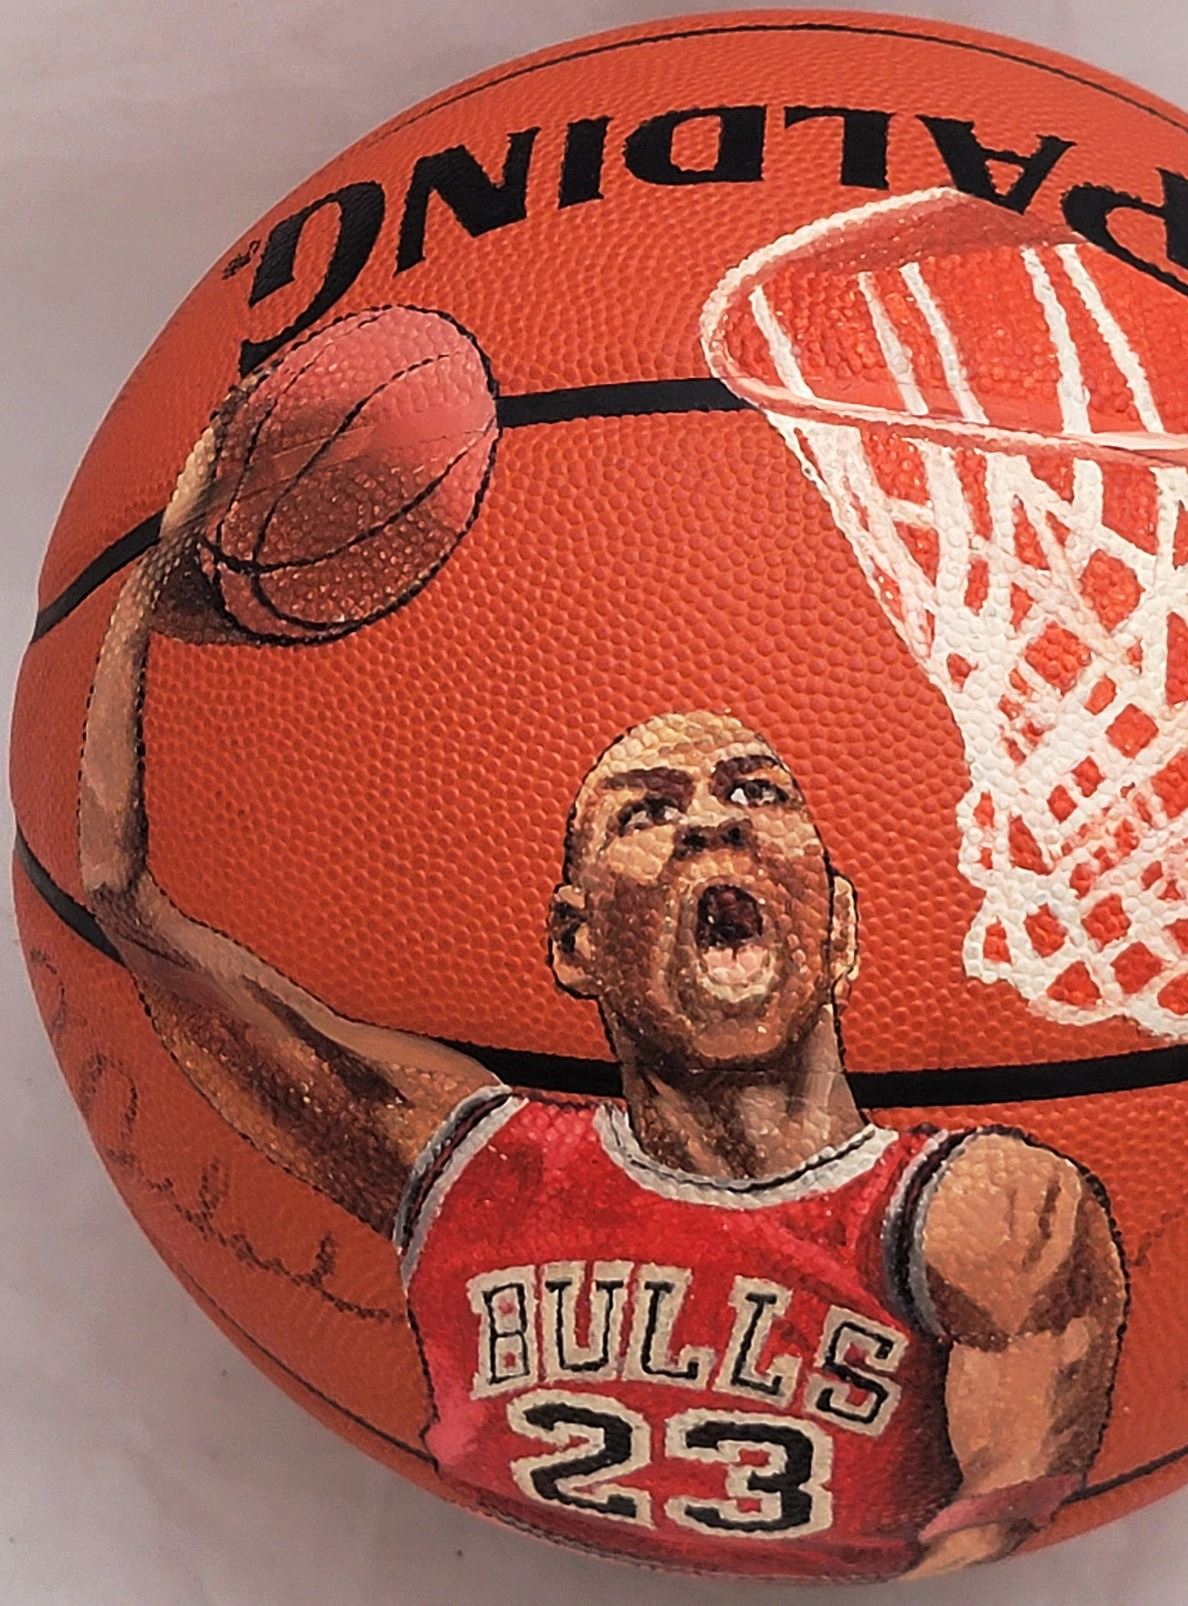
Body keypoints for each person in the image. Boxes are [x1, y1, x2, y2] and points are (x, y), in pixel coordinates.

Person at [79, 437, 1127, 1581]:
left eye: (756, 791)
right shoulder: (472, 1169)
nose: (712, 823)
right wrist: (138, 599)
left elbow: (992, 1518)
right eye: (647, 812)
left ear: (838, 928)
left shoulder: (983, 1215)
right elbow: (124, 905)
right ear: (576, 944)